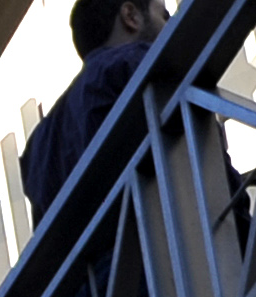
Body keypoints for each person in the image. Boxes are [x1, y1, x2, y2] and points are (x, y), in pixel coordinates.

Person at [23, 0, 172, 224]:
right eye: (164, 16)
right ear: (131, 16)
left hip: (109, 244)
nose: (170, 26)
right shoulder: (138, 61)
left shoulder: (39, 143)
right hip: (167, 234)